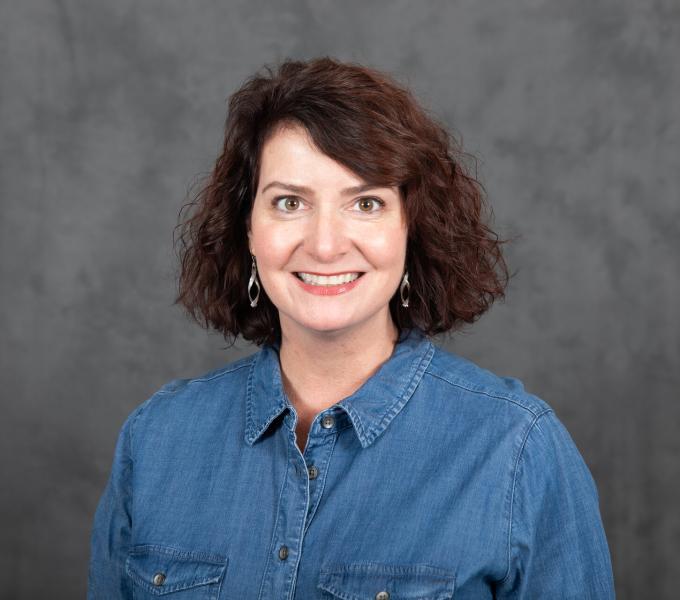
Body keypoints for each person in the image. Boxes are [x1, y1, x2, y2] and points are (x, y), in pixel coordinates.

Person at [87, 57, 615, 599]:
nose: (324, 244)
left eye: (366, 203)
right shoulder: (156, 440)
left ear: (412, 227)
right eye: (290, 203)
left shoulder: (516, 449)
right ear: (248, 228)